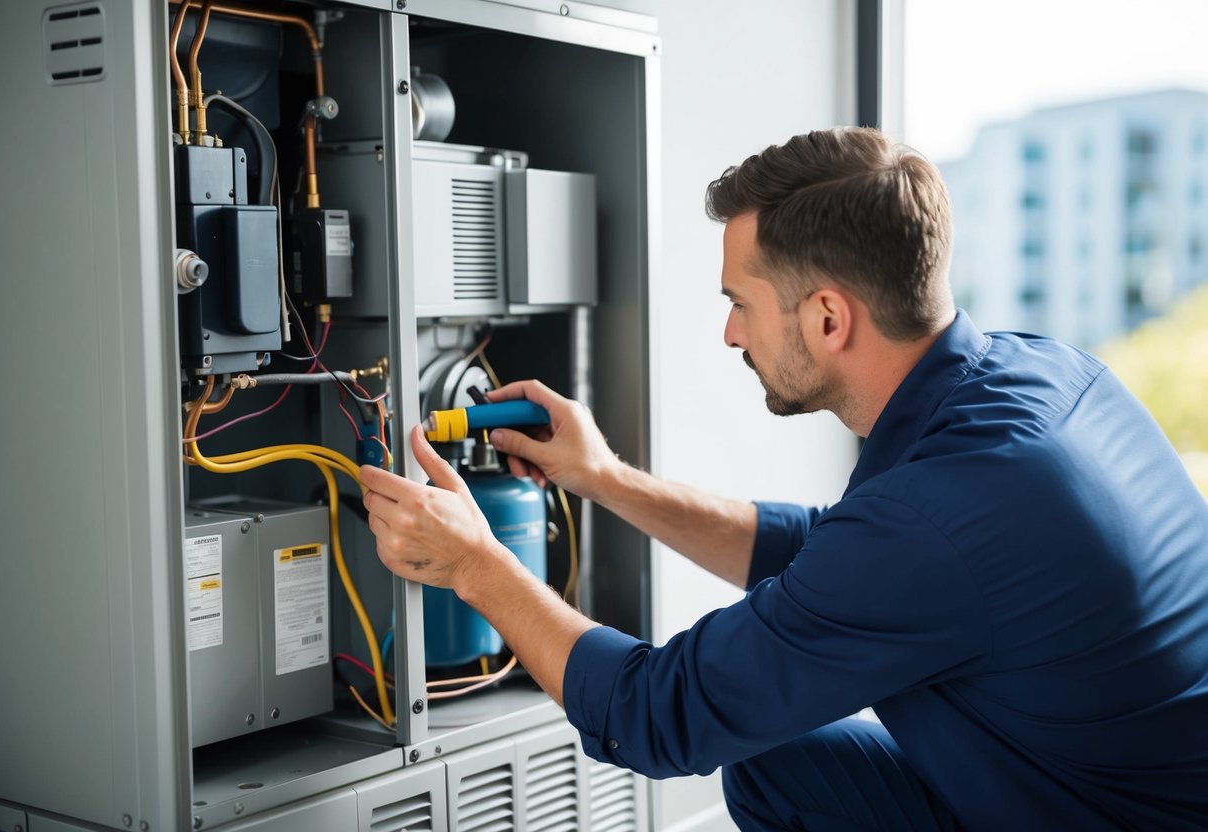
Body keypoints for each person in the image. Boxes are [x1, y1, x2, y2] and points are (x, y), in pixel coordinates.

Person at [360, 127, 1208, 831]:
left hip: (1102, 817)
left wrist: (474, 564)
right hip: (1090, 780)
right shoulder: (1036, 375)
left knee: (737, 733)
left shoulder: (939, 516)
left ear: (828, 317)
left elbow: (659, 717)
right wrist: (606, 478)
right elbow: (827, 555)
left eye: (741, 302)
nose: (731, 334)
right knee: (776, 758)